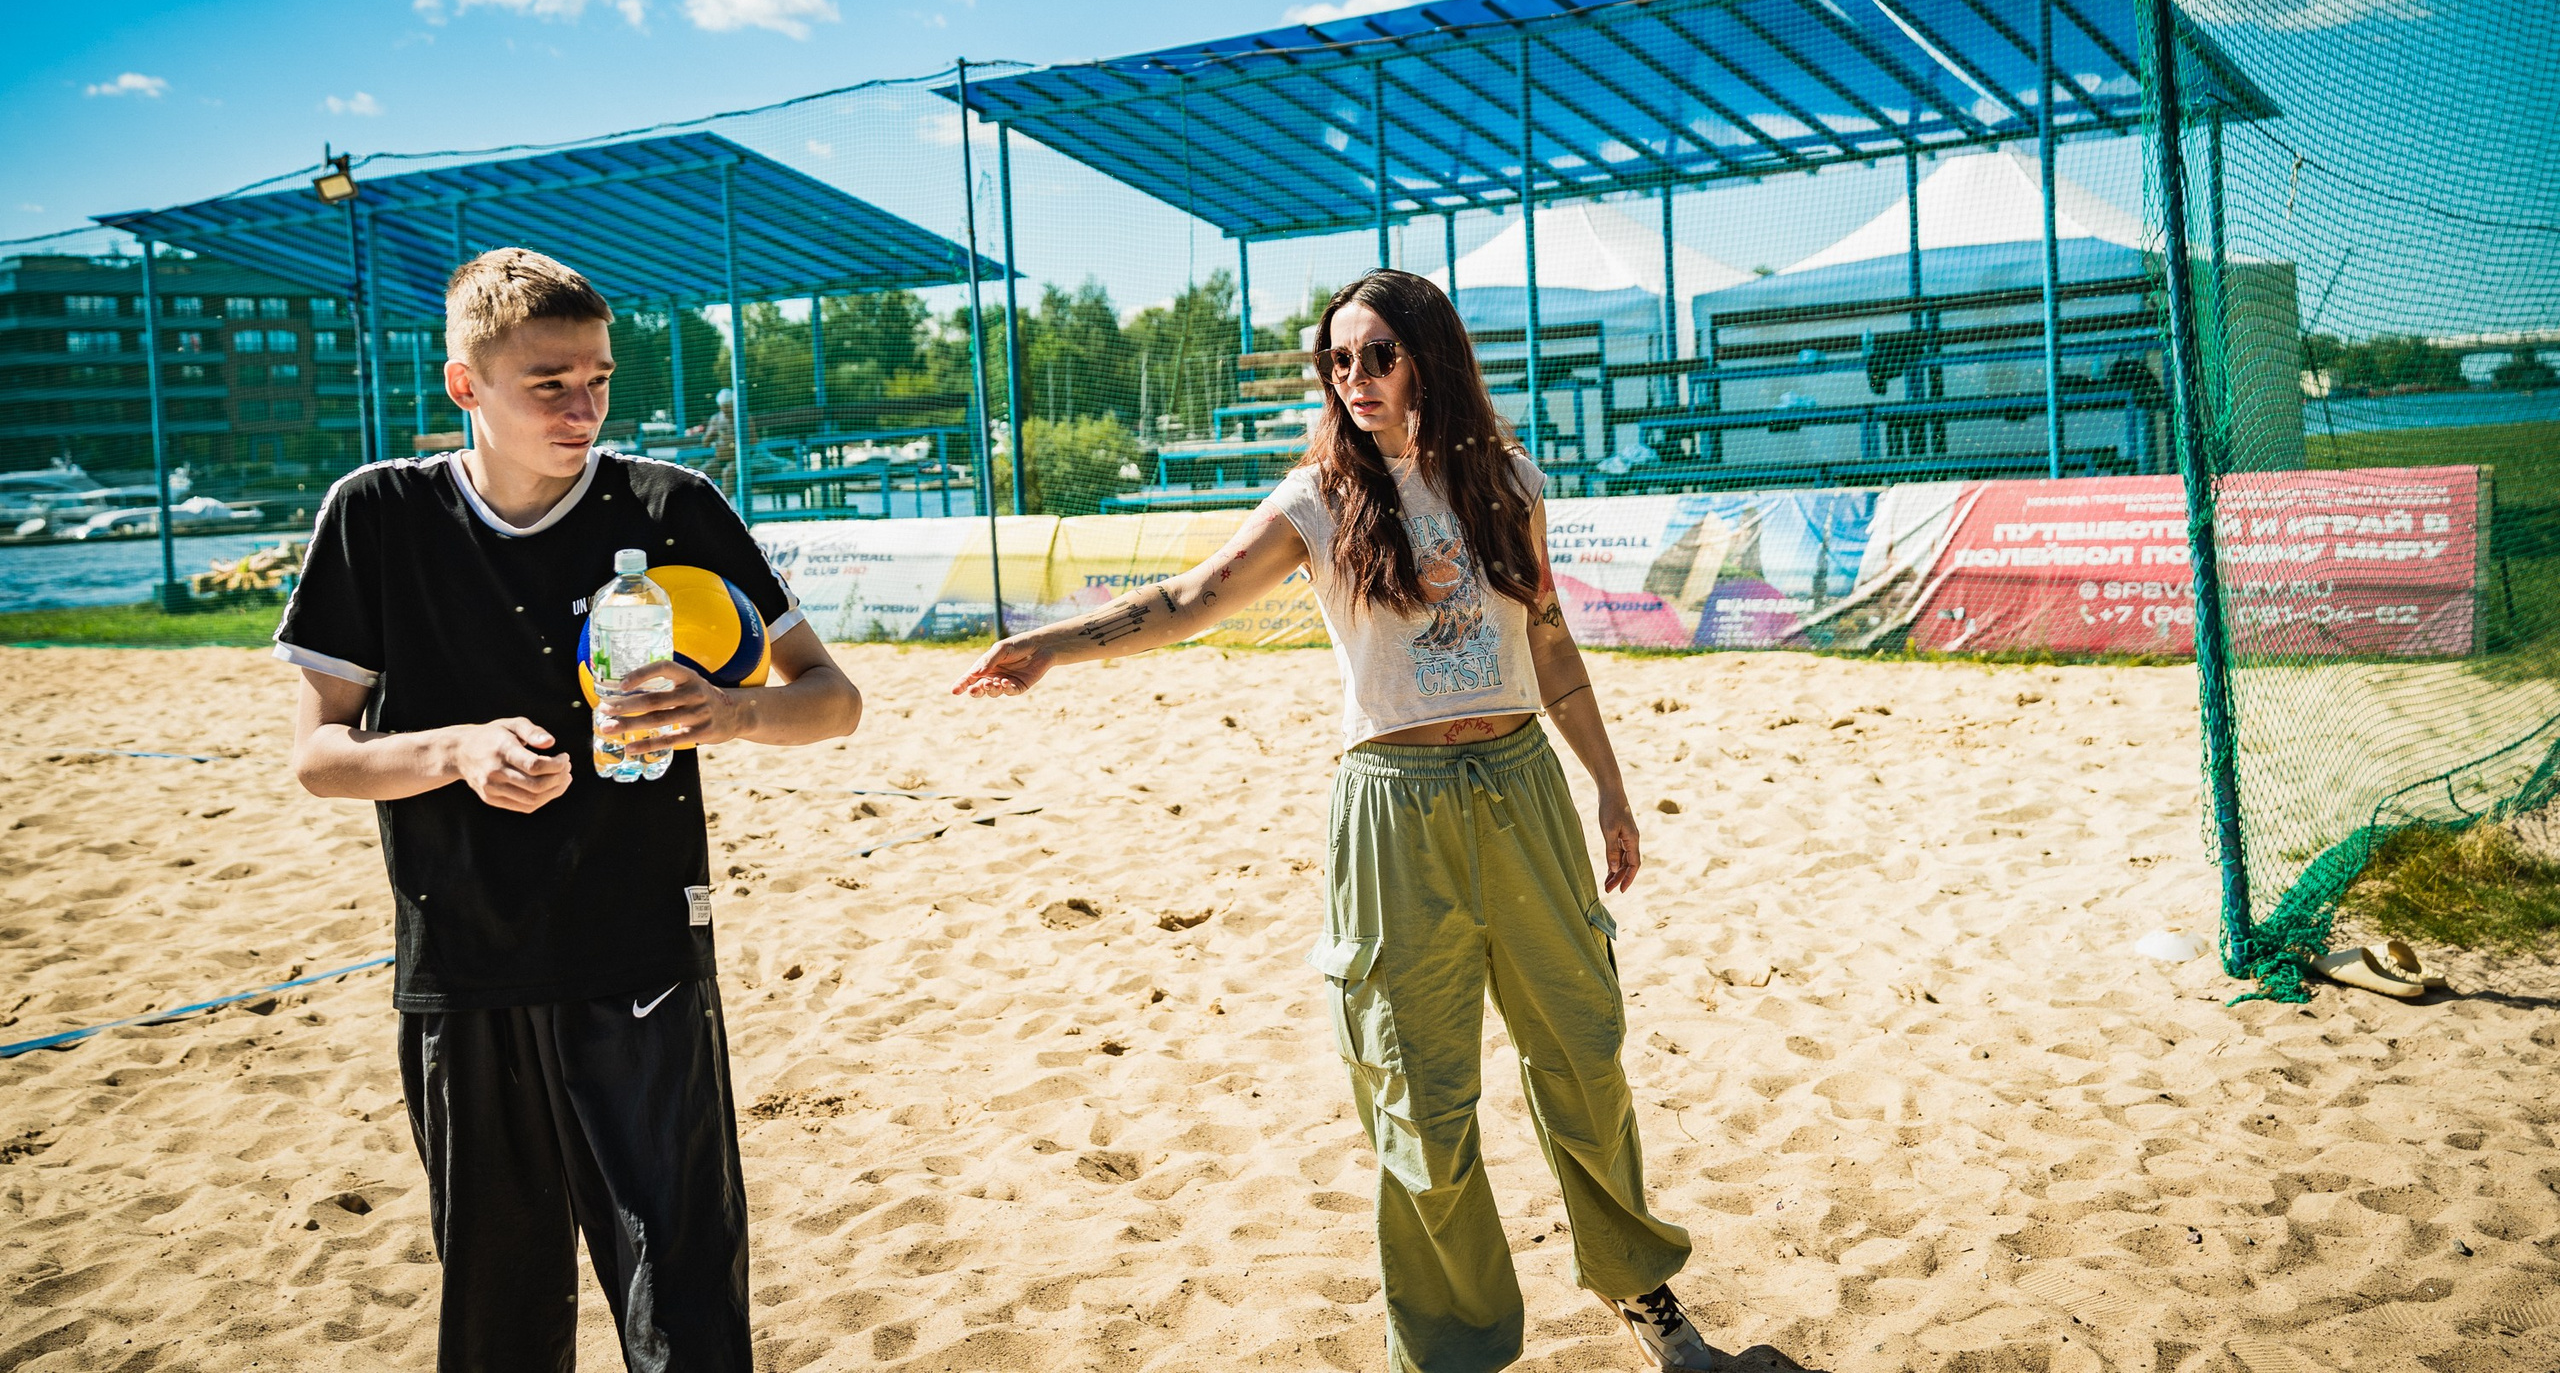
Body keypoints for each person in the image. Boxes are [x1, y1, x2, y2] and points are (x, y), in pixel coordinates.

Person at [953, 270, 1717, 1373]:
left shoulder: (1508, 481)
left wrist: (1608, 785)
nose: (1353, 377)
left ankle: (1640, 1292)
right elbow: (1188, 597)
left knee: (1584, 1054)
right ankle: (1453, 1347)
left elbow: (1549, 644)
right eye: (1337, 361)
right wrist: (1051, 647)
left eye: (1376, 355)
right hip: (1391, 814)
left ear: (1430, 359)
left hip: (1521, 789)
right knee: (1417, 1094)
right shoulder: (1316, 500)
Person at [279, 248, 863, 1372]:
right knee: (499, 1309)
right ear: (466, 385)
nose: (584, 405)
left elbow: (831, 701)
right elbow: (316, 756)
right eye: (550, 382)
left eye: (598, 377)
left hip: (637, 946)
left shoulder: (671, 506)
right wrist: (453, 751)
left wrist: (729, 713)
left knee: (683, 1300)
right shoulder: (379, 514)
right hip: (463, 959)